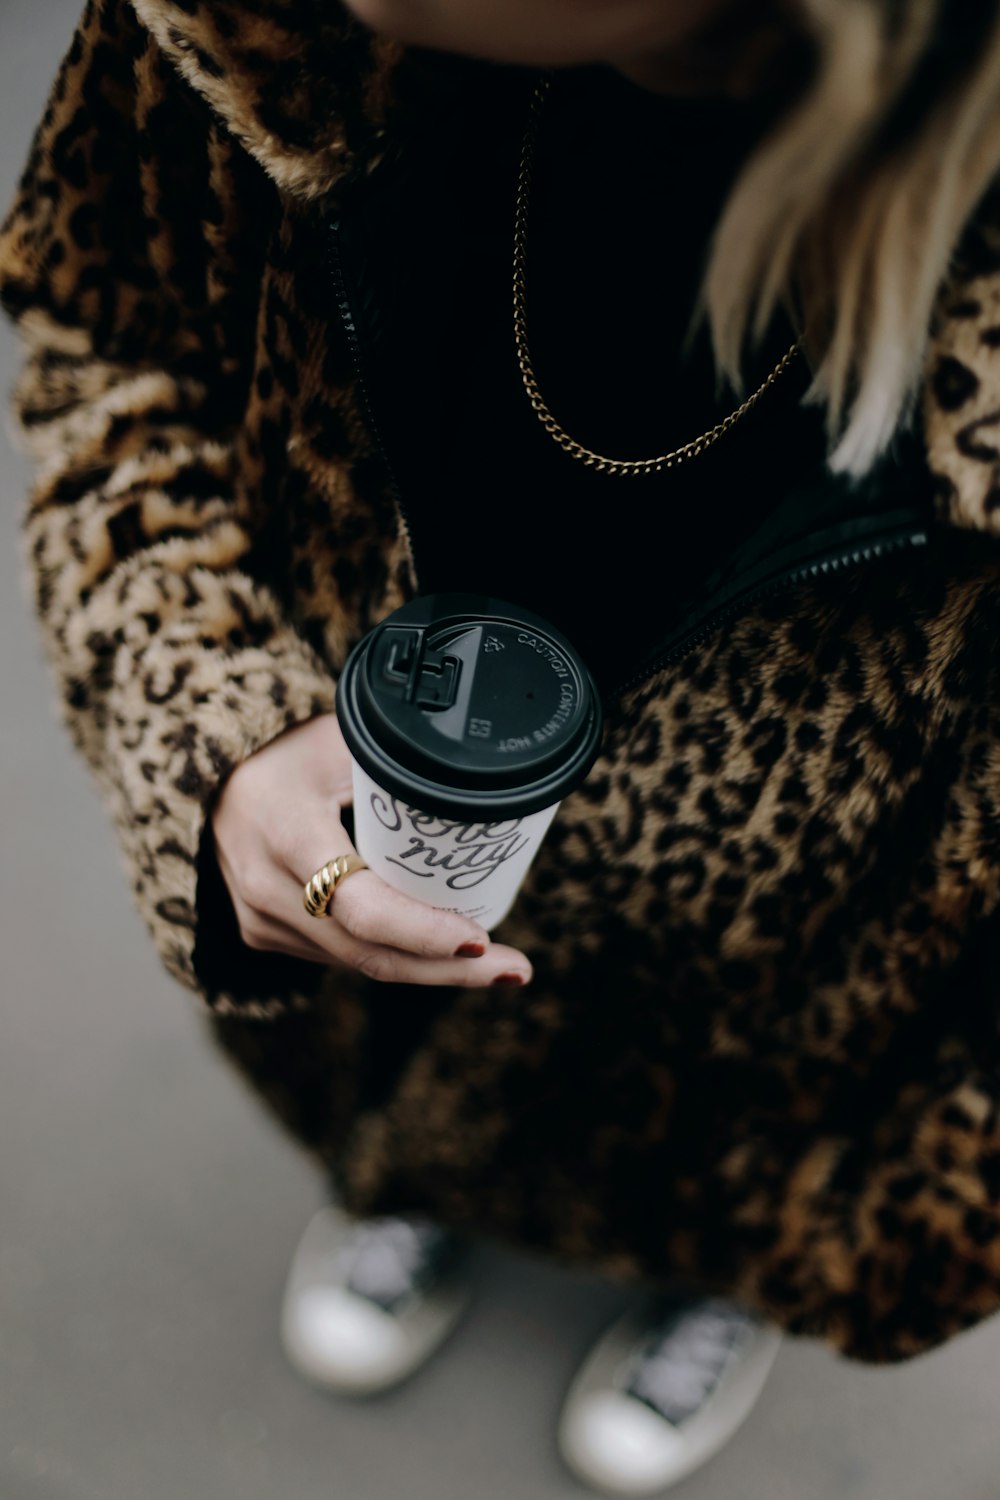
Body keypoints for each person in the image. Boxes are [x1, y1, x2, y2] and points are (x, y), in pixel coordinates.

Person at [5, 0, 1000, 1492]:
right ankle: (422, 1178)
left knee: (735, 1172)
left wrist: (882, 1203)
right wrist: (217, 716)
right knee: (413, 1053)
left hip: (800, 1009)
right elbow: (111, 334)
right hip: (378, 851)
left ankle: (720, 1278)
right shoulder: (255, 23)